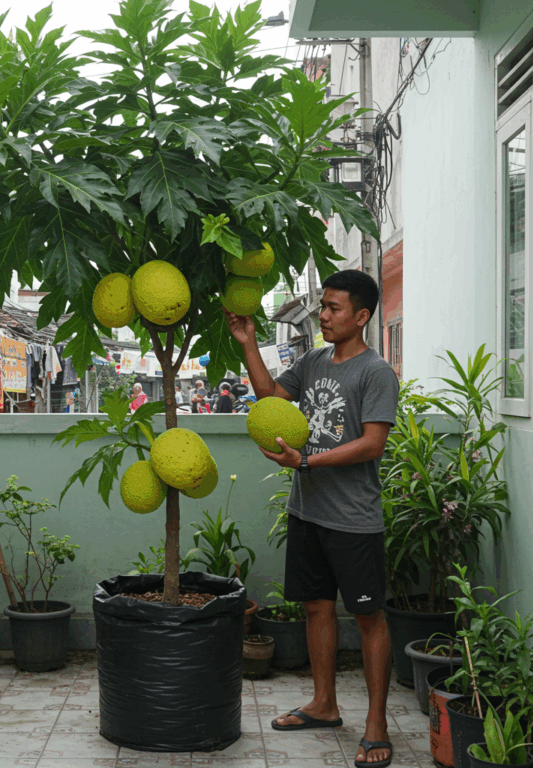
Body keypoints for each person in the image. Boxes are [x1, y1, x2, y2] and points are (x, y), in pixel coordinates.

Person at [225, 269, 399, 768]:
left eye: (333, 308)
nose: (322, 315)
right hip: (308, 511)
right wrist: (248, 343)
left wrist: (306, 462)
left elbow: (373, 443)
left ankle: (377, 724)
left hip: (354, 519)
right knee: (317, 608)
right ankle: (324, 705)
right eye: (322, 305)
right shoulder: (314, 361)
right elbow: (270, 399)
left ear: (361, 316)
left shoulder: (376, 372)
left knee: (368, 617)